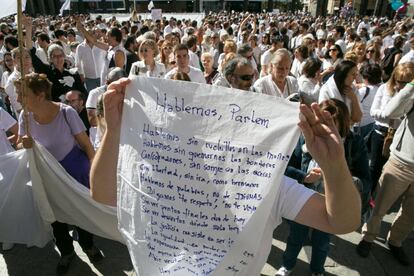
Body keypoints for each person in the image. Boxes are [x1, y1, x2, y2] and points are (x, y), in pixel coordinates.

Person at [89, 77, 361, 274]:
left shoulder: (266, 182)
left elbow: (341, 222)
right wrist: (114, 132)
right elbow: (101, 193)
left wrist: (334, 164)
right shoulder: (156, 166)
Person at [15, 73, 102, 275]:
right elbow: (20, 144)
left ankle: (88, 245)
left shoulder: (66, 112)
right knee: (56, 218)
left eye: (22, 94)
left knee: (80, 212)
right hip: (46, 174)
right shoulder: (24, 117)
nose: (18, 98)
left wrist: (94, 170)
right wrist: (23, 144)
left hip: (73, 169)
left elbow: (86, 144)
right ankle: (67, 252)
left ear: (40, 95)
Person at [277, 99, 370, 276]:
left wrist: (339, 176)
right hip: (304, 200)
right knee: (296, 237)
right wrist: (305, 176)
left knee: (322, 241)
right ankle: (287, 266)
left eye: (331, 127)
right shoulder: (304, 136)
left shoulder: (354, 142)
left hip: (331, 205)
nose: (324, 133)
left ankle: (317, 270)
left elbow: (366, 181)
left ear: (343, 125)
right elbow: (285, 167)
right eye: (320, 126)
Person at [357, 81, 414, 266]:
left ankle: (395, 241)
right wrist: (411, 85)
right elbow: (390, 112)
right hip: (401, 162)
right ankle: (368, 237)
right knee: (380, 205)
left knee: (410, 214)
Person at [368, 63, 414, 196]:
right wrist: (389, 115)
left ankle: (382, 194)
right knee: (374, 167)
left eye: (407, 82)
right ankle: (370, 195)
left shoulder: (410, 95)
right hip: (380, 132)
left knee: (390, 169)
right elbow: (373, 111)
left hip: (398, 136)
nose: (402, 86)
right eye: (399, 81)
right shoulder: (383, 88)